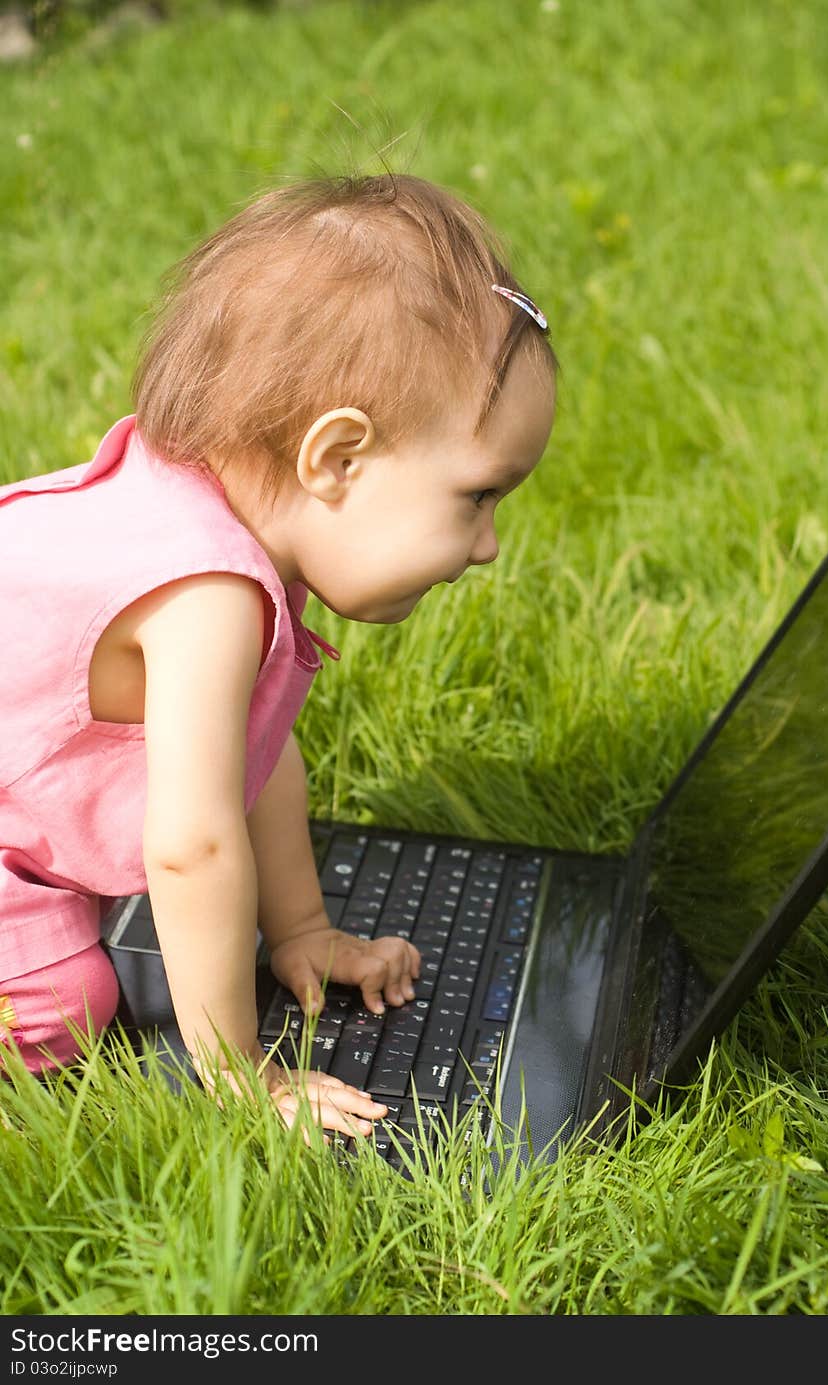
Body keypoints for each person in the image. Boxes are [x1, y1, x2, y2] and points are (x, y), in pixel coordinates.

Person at [0, 173, 557, 1140]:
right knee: (63, 1005)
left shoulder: (229, 518)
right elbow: (193, 843)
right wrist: (241, 1072)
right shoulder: (207, 593)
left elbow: (261, 754)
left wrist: (302, 932)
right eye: (476, 498)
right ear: (335, 458)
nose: (488, 545)